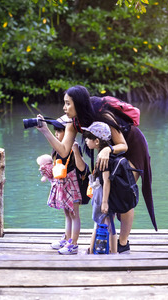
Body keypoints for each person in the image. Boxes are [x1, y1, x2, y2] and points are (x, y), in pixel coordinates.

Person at [36, 85, 156, 254]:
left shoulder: (102, 114)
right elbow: (63, 150)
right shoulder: (74, 122)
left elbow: (123, 144)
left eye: (68, 104)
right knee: (106, 194)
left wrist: (108, 150)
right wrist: (45, 131)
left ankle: (122, 242)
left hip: (130, 146)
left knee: (124, 191)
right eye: (64, 104)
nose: (64, 108)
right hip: (105, 150)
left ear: (78, 104)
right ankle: (104, 240)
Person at [41, 115, 87, 255]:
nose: (56, 134)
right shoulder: (57, 150)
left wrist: (77, 151)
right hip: (62, 184)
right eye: (55, 131)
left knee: (74, 214)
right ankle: (67, 238)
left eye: (59, 131)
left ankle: (74, 244)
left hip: (73, 185)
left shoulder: (73, 148)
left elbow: (82, 168)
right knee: (67, 213)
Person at [82, 122, 117, 254]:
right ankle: (114, 251)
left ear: (97, 141)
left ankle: (92, 251)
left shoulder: (103, 158)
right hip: (107, 195)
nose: (85, 140)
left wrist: (104, 202)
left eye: (88, 137)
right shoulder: (107, 154)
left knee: (99, 223)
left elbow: (106, 181)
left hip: (102, 195)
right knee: (110, 224)